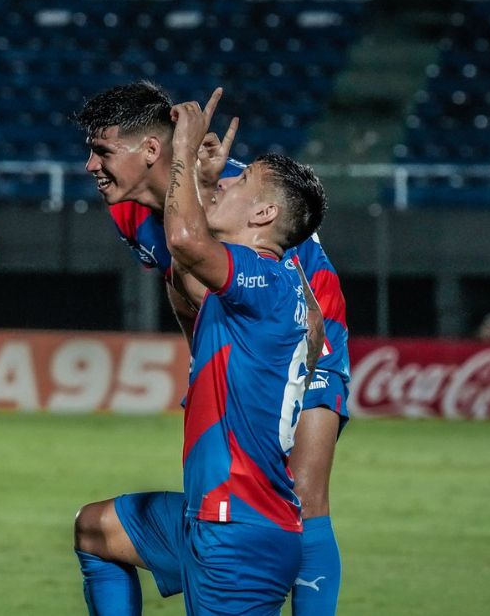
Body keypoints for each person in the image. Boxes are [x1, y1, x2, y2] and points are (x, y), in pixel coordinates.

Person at [74, 81, 350, 614]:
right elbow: (185, 286)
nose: (91, 166)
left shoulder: (232, 198)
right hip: (239, 328)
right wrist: (205, 365)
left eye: (103, 152)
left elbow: (294, 309)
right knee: (103, 526)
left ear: (151, 151)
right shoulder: (129, 211)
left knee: (305, 498)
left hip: (310, 323)